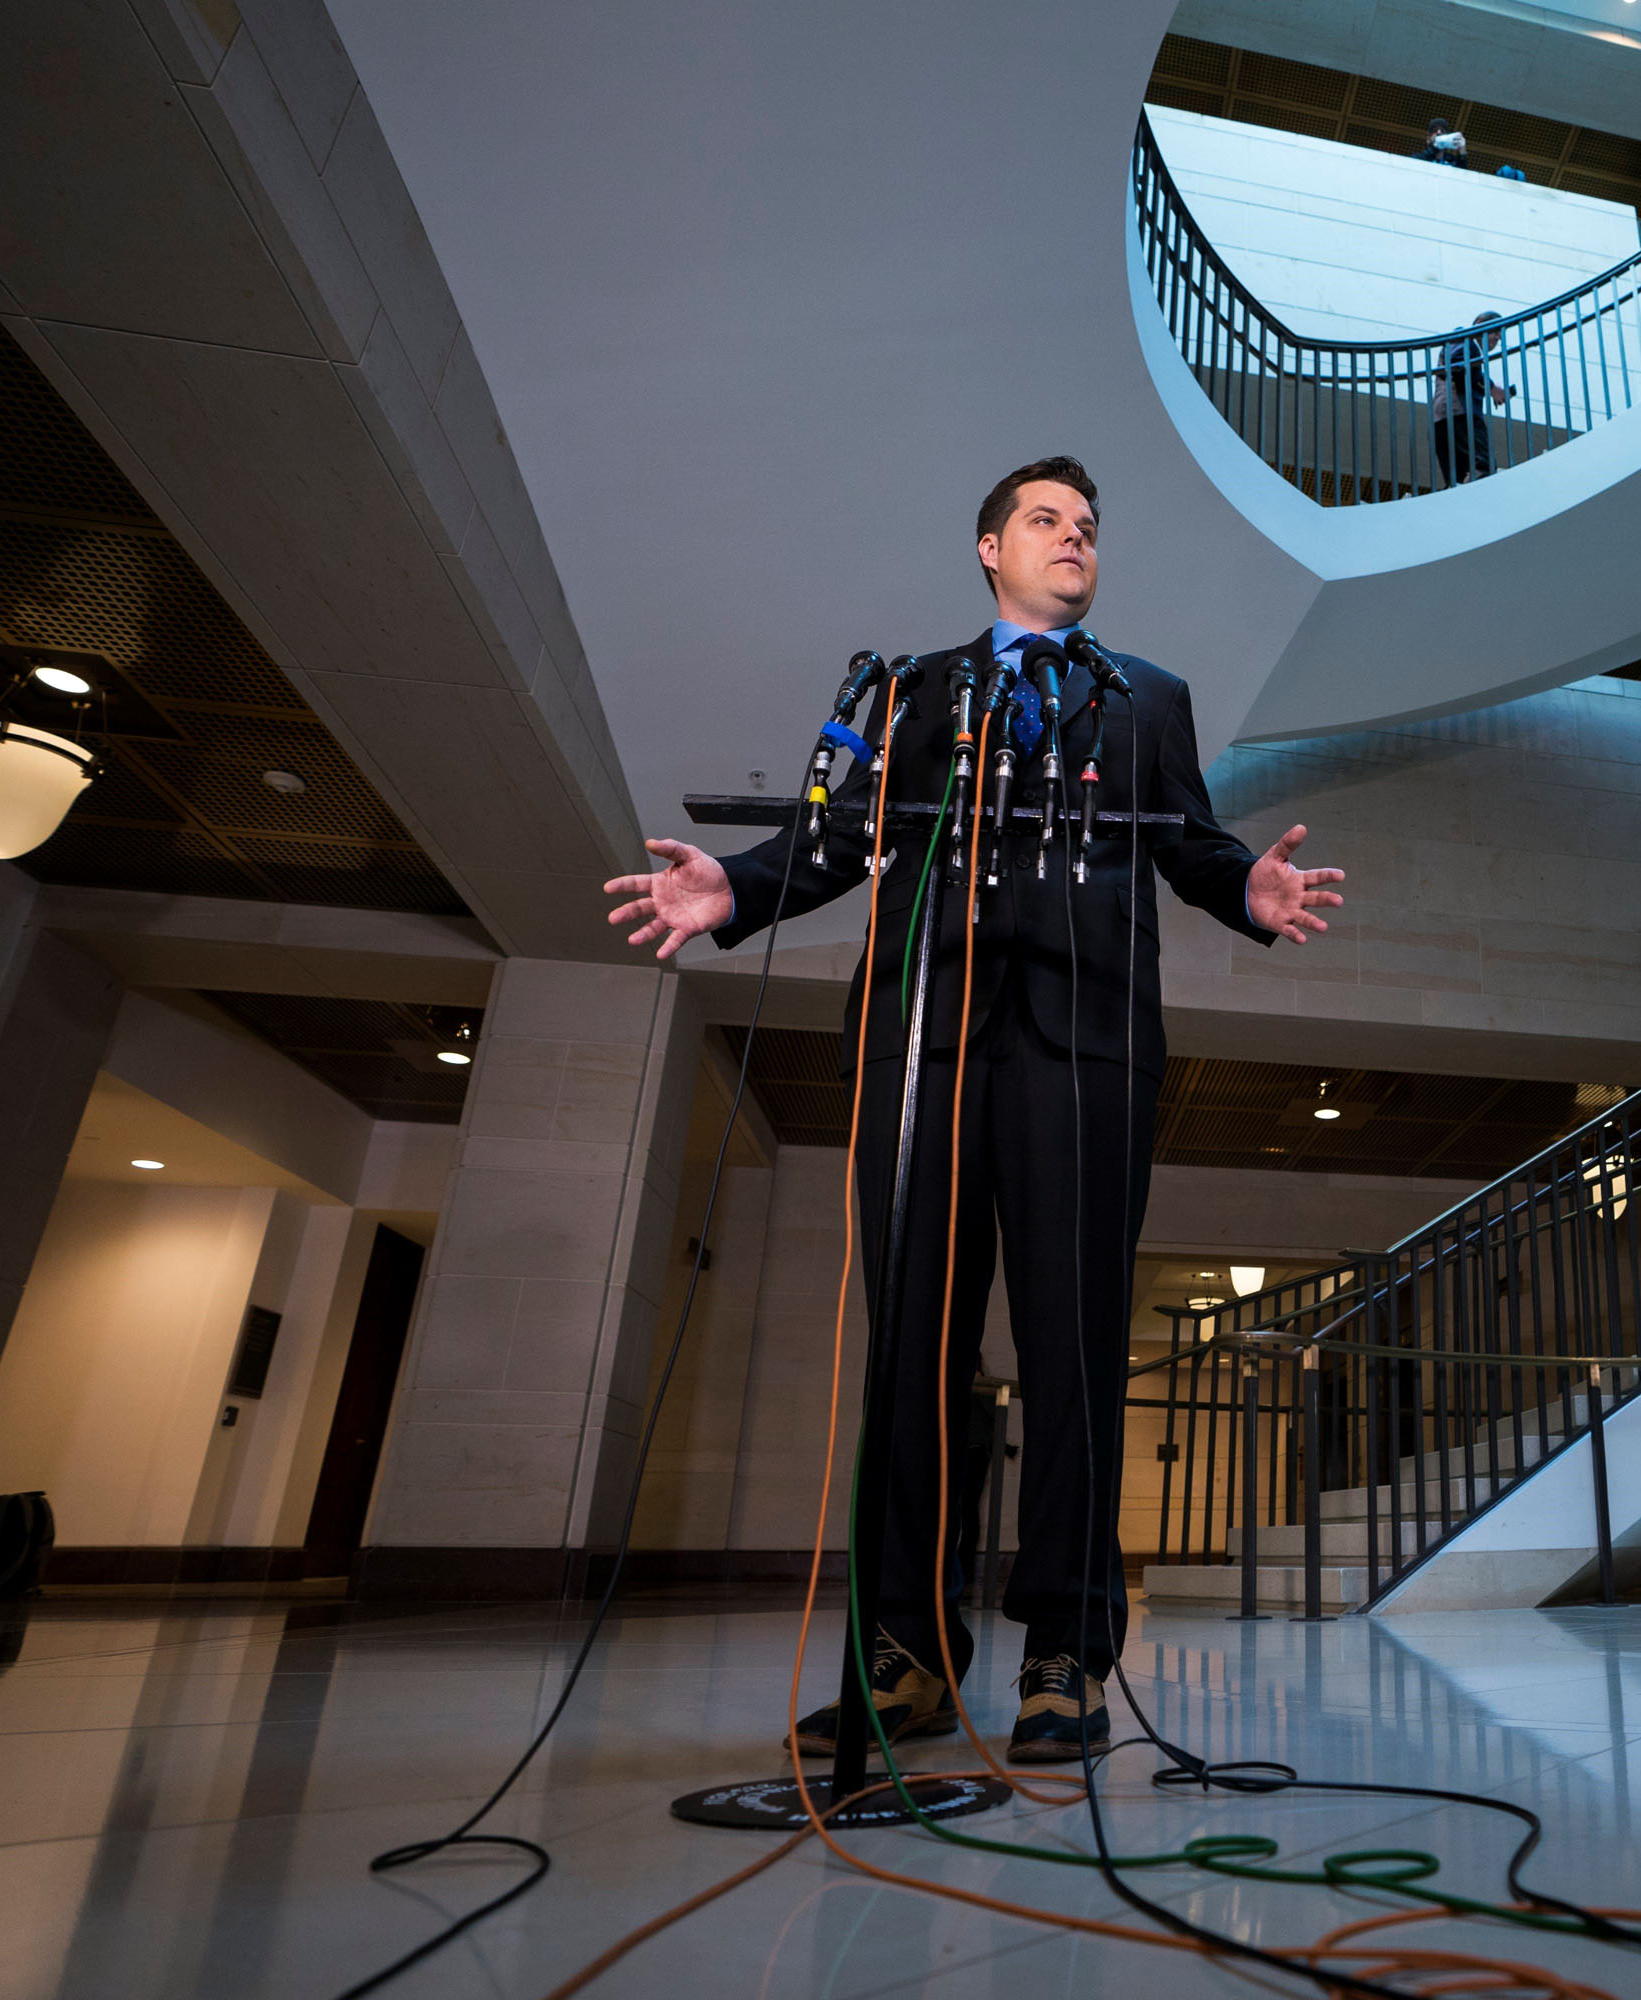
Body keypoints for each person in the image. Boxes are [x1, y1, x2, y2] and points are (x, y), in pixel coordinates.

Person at [601, 457, 1345, 1764]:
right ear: (989, 549)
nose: (1074, 540)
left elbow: (1192, 843)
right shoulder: (908, 693)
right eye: (1047, 522)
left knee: (1072, 1354)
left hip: (1091, 1059)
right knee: (914, 1360)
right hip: (924, 1052)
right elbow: (834, 840)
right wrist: (739, 891)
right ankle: (909, 1655)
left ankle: (1065, 1652)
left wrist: (1248, 895)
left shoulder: (1147, 700)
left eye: (1089, 529)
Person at [1430, 311, 1513, 488]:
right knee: (1483, 466)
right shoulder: (1464, 338)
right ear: (1478, 324)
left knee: (1457, 478)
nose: (1497, 337)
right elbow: (1458, 366)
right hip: (1460, 413)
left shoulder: (1463, 344)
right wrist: (1491, 388)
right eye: (1495, 330)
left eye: (1500, 334)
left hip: (1444, 416)